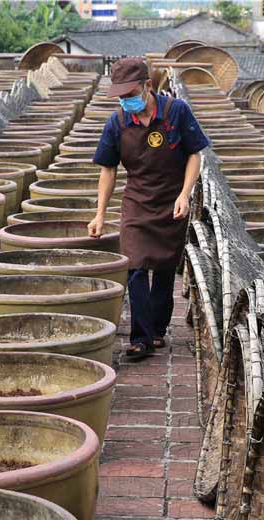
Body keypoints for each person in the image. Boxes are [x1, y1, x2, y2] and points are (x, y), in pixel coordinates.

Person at [88, 57, 209, 360]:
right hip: (137, 202)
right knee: (135, 266)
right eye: (122, 96)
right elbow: (108, 170)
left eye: (132, 94)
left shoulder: (175, 111)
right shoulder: (117, 122)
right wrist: (100, 214)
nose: (127, 100)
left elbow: (195, 154)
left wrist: (185, 194)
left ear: (148, 86)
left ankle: (157, 329)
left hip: (172, 199)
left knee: (166, 267)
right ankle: (140, 338)